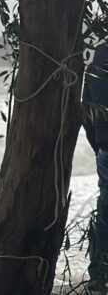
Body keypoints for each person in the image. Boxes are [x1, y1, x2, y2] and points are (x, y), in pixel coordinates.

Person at [83, 43, 108, 294]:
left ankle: (99, 277)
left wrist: (99, 144)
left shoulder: (98, 60)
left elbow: (86, 108)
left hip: (106, 149)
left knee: (105, 215)